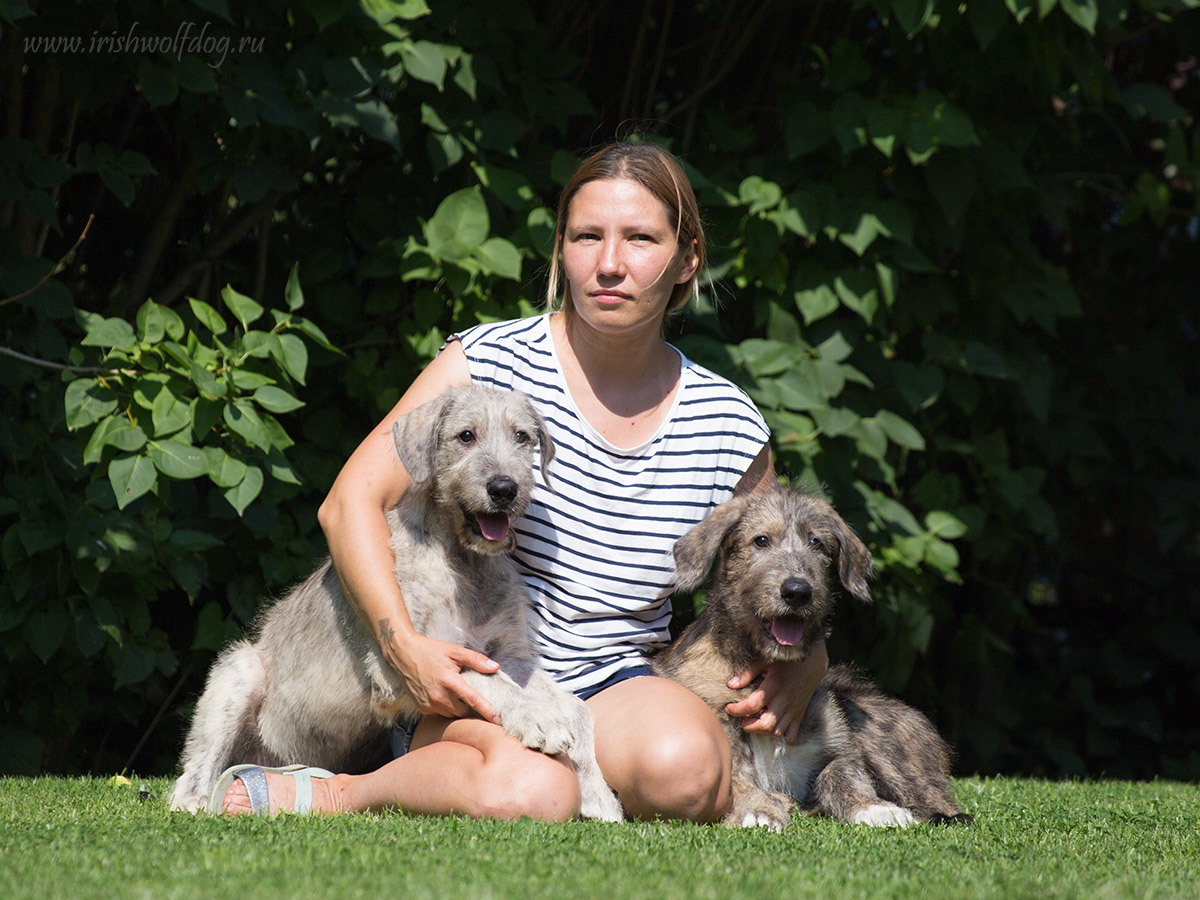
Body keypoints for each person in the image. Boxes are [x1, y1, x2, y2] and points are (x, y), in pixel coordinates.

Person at [217, 141, 829, 820]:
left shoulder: (726, 421)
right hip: (470, 675)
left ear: (687, 258)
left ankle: (571, 771)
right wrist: (406, 649)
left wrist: (811, 658)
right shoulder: (489, 359)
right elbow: (348, 503)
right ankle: (343, 790)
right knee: (533, 793)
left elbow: (776, 562)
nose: (609, 263)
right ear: (561, 248)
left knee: (686, 773)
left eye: (640, 239)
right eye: (586, 236)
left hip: (618, 678)